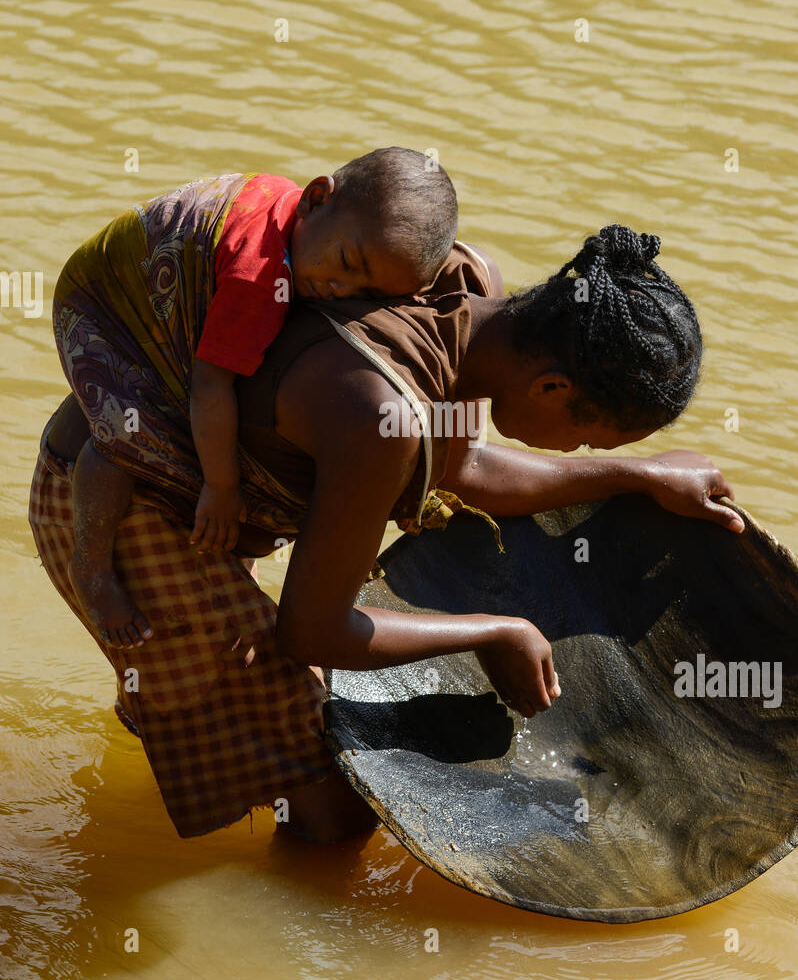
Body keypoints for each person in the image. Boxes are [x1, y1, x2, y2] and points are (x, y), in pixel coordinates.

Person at [32, 223, 742, 845]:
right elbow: (312, 631)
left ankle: (187, 720)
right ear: (552, 388)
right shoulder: (379, 417)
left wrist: (637, 475)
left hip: (192, 490)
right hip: (116, 503)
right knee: (334, 810)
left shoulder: (466, 287)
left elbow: (465, 470)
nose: (579, 452)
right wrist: (493, 630)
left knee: (265, 714)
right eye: (590, 438)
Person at [53, 147, 458, 648]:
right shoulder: (259, 281)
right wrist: (221, 488)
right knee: (130, 430)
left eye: (367, 292)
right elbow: (211, 383)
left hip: (144, 271)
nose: (338, 288)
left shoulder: (296, 221)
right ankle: (90, 567)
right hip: (101, 309)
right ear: (315, 198)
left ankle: (236, 565)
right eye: (347, 263)